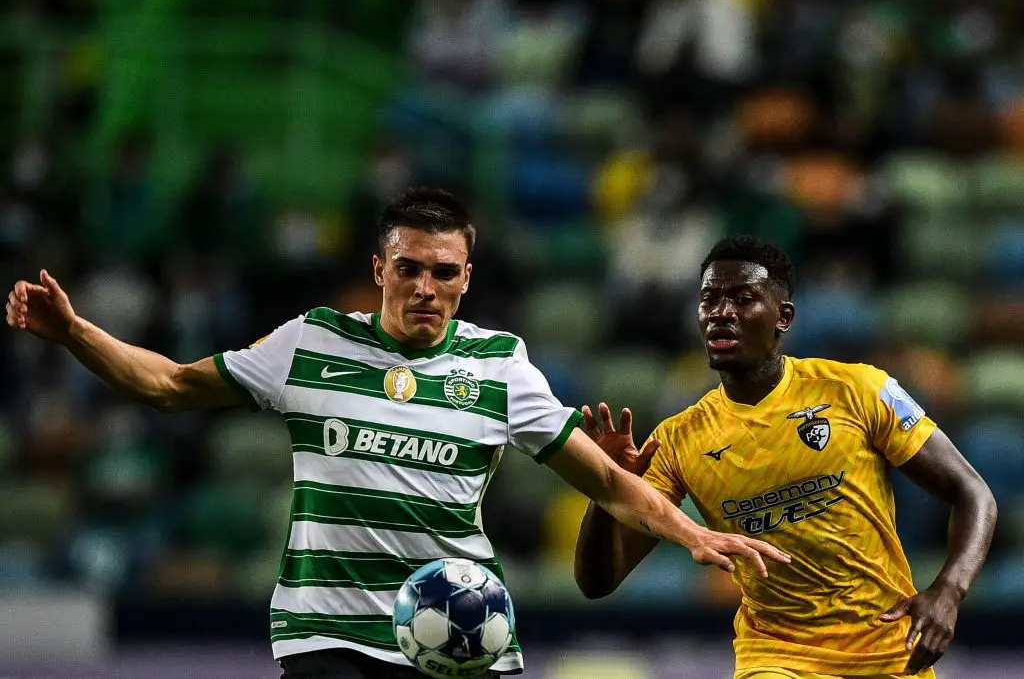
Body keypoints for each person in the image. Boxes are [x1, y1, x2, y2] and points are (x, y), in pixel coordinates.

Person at [4, 189, 788, 679]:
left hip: (464, 634)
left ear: (467, 277)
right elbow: (170, 385)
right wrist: (76, 334)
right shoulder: (310, 345)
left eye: (444, 271)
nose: (425, 286)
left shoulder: (499, 364)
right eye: (409, 267)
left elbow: (611, 481)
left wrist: (695, 535)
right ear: (380, 267)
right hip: (328, 633)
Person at [574, 235, 998, 679]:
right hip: (777, 656)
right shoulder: (677, 440)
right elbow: (598, 582)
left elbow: (973, 493)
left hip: (888, 651)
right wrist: (604, 486)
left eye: (743, 299)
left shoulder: (856, 389)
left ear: (783, 317)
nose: (722, 313)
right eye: (709, 300)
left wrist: (949, 591)